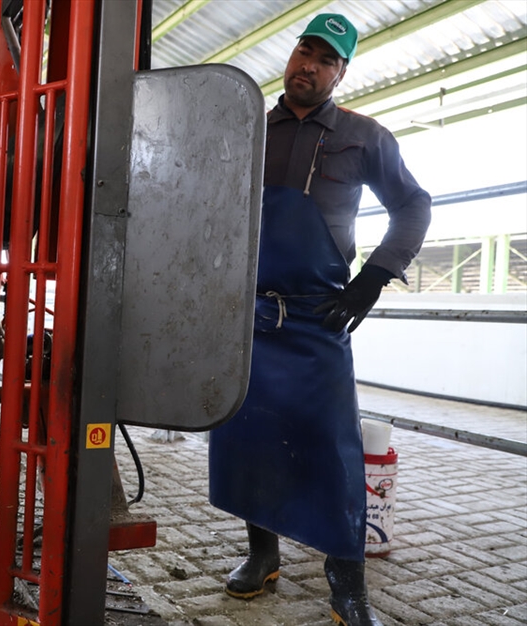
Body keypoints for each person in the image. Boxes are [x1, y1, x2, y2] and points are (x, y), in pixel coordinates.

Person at [208, 14, 431, 626]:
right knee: (248, 439)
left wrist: (373, 280)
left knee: (333, 451)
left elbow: (413, 205)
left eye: (326, 58)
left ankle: (346, 585)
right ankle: (262, 556)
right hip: (247, 316)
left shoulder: (365, 136)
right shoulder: (247, 126)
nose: (309, 63)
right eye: (305, 49)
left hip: (318, 319)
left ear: (341, 72)